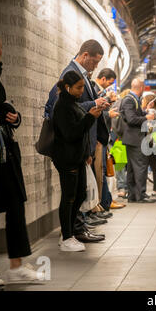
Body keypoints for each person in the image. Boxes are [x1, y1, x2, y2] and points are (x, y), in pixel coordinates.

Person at [0, 31, 45, 283]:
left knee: (15, 206)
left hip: (4, 150)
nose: (2, 51)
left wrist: (15, 117)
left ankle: (16, 264)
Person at [45, 39, 108, 241]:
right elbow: (63, 108)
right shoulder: (69, 74)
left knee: (79, 193)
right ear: (85, 55)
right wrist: (93, 104)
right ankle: (72, 232)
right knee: (71, 195)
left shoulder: (81, 75)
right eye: (94, 62)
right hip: (69, 150)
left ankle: (77, 229)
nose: (96, 66)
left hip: (79, 148)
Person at [52, 71, 102, 251]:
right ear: (68, 87)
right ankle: (66, 237)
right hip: (67, 158)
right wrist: (90, 117)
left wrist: (86, 153)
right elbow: (71, 133)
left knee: (79, 194)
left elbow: (80, 133)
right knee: (69, 197)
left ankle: (70, 233)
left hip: (78, 158)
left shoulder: (72, 103)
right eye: (78, 87)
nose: (81, 91)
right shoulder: (62, 106)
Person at [119, 78, 156, 203]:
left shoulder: (133, 99)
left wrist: (143, 114)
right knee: (141, 167)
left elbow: (133, 117)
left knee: (132, 168)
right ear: (141, 87)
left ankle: (133, 196)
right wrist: (146, 117)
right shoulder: (130, 100)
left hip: (133, 139)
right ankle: (140, 195)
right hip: (135, 139)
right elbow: (131, 119)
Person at [92, 68, 125, 211]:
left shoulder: (100, 92)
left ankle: (105, 201)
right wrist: (108, 114)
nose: (109, 87)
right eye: (109, 83)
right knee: (101, 171)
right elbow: (95, 113)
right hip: (98, 138)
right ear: (103, 78)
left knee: (103, 171)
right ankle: (104, 203)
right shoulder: (94, 88)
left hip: (102, 138)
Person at [141, 93, 156, 198]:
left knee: (144, 166)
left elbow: (147, 128)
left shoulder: (150, 112)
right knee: (155, 167)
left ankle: (143, 190)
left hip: (148, 142)